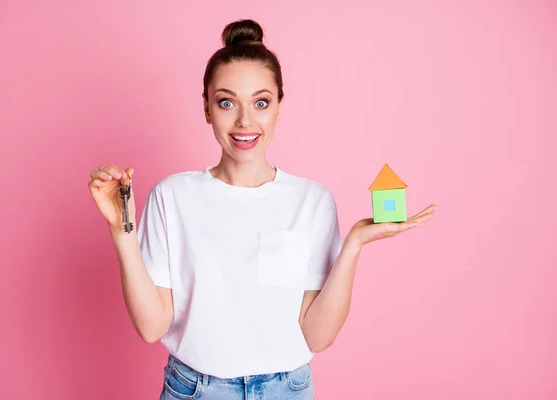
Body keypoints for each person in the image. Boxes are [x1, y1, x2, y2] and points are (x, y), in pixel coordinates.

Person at [88, 19, 436, 400]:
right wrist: (121, 230)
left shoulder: (312, 201)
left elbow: (318, 335)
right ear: (206, 108)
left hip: (287, 389)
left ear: (279, 108)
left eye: (260, 102)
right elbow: (152, 327)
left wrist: (353, 244)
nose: (244, 121)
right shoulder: (172, 197)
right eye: (226, 102)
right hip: (195, 390)